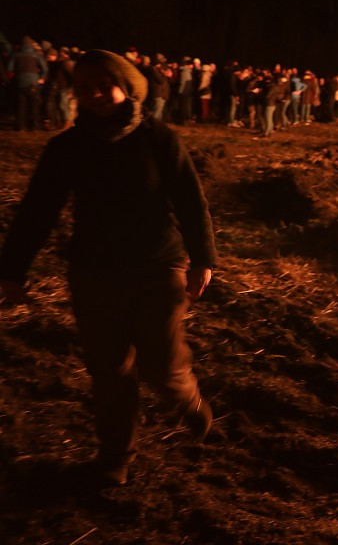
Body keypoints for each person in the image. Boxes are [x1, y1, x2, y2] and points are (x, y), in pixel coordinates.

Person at [0, 49, 216, 488]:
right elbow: (37, 211)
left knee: (161, 366)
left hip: (158, 268)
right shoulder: (66, 148)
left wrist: (203, 259)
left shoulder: (159, 139)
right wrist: (12, 270)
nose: (94, 93)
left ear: (128, 86)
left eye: (103, 84)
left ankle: (187, 398)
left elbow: (191, 202)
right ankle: (115, 456)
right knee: (109, 371)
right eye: (83, 87)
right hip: (94, 273)